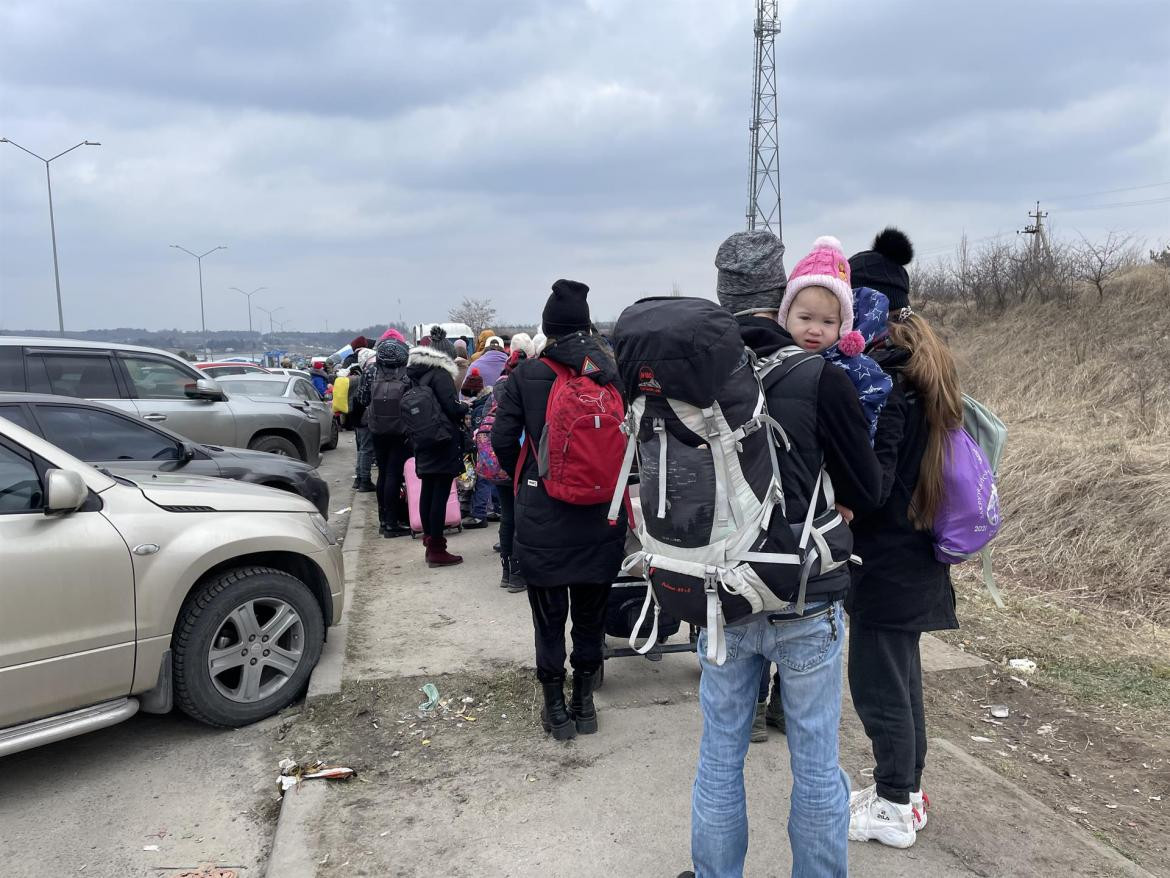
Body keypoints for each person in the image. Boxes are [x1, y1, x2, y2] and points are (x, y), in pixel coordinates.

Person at [678, 230, 882, 878]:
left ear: (721, 293)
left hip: (723, 597)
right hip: (807, 595)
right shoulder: (822, 376)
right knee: (817, 764)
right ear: (782, 294)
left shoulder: (693, 379)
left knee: (719, 757)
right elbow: (867, 491)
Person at [845, 228, 952, 850]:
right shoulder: (923, 362)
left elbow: (876, 484)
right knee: (903, 678)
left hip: (888, 554)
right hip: (917, 546)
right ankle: (906, 793)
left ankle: (891, 806)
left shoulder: (886, 376)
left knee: (880, 685)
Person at [491, 279, 627, 741]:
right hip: (603, 515)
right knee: (591, 614)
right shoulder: (611, 374)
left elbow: (501, 441)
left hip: (543, 513)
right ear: (587, 327)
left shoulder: (526, 376)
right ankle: (585, 706)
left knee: (548, 619)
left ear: (547, 329)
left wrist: (528, 477)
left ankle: (555, 710)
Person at [776, 235, 893, 441]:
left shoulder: (854, 367)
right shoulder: (774, 358)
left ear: (843, 326)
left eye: (828, 322)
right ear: (785, 317)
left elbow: (878, 392)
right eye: (805, 318)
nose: (815, 330)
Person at [407, 331, 468, 566]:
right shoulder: (440, 375)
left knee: (428, 492)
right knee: (440, 495)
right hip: (441, 440)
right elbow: (451, 409)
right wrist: (463, 408)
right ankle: (437, 549)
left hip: (422, 439)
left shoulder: (418, 374)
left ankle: (430, 541)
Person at [359, 339, 412, 536]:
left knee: (382, 473)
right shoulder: (407, 374)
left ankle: (383, 520)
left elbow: (362, 399)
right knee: (395, 474)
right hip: (400, 430)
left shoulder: (370, 372)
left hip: (377, 429)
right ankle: (393, 522)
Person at [460, 367, 500, 529]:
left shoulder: (478, 409)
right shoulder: (489, 400)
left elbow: (478, 431)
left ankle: (478, 513)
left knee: (482, 478)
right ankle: (496, 509)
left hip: (483, 446)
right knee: (494, 477)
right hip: (494, 446)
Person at [349, 347, 377, 492]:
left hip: (357, 416)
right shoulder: (371, 372)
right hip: (364, 417)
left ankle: (359, 478)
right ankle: (365, 481)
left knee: (361, 449)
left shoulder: (363, 373)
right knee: (366, 449)